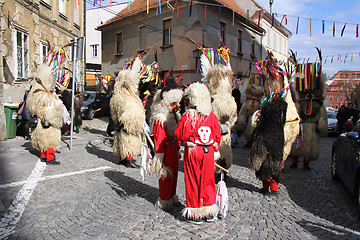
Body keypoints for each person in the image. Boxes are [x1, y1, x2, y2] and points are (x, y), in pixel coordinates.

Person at [174, 82, 221, 224]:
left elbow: (179, 135)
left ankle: (195, 211)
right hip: (208, 152)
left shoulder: (188, 116)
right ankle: (209, 210)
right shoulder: (211, 116)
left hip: (194, 151)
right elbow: (217, 135)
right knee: (208, 180)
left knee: (193, 180)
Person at [150, 78, 183, 211]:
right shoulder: (161, 118)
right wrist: (160, 155)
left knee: (174, 174)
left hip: (174, 147)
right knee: (166, 175)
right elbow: (159, 138)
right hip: (166, 148)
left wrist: (179, 146)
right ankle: (165, 199)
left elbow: (178, 131)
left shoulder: (175, 115)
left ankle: (172, 196)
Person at [110, 57, 145, 168]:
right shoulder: (129, 98)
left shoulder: (116, 96)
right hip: (127, 126)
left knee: (120, 141)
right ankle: (128, 159)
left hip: (119, 125)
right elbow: (132, 114)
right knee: (129, 141)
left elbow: (114, 112)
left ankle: (122, 158)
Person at [26, 64, 63, 165]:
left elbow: (30, 108)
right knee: (49, 140)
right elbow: (51, 112)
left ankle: (43, 156)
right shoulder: (46, 96)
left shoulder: (33, 94)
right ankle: (50, 158)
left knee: (41, 141)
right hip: (46, 123)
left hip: (37, 123)